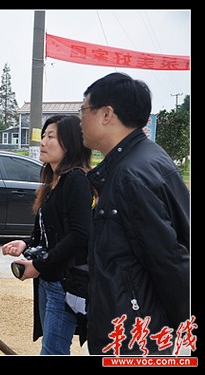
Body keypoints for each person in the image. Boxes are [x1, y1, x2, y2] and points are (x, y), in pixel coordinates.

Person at [80, 72, 190, 356]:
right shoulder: (146, 157)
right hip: (137, 323)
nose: (81, 120)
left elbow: (169, 261)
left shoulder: (130, 175)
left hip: (134, 332)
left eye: (83, 111)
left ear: (107, 114)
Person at [2, 115, 94, 355]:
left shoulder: (76, 179)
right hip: (48, 278)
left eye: (50, 137)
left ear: (70, 143)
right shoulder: (54, 180)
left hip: (63, 283)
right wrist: (26, 243)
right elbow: (50, 233)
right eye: (43, 136)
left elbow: (80, 234)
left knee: (53, 351)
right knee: (52, 348)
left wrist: (39, 265)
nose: (43, 142)